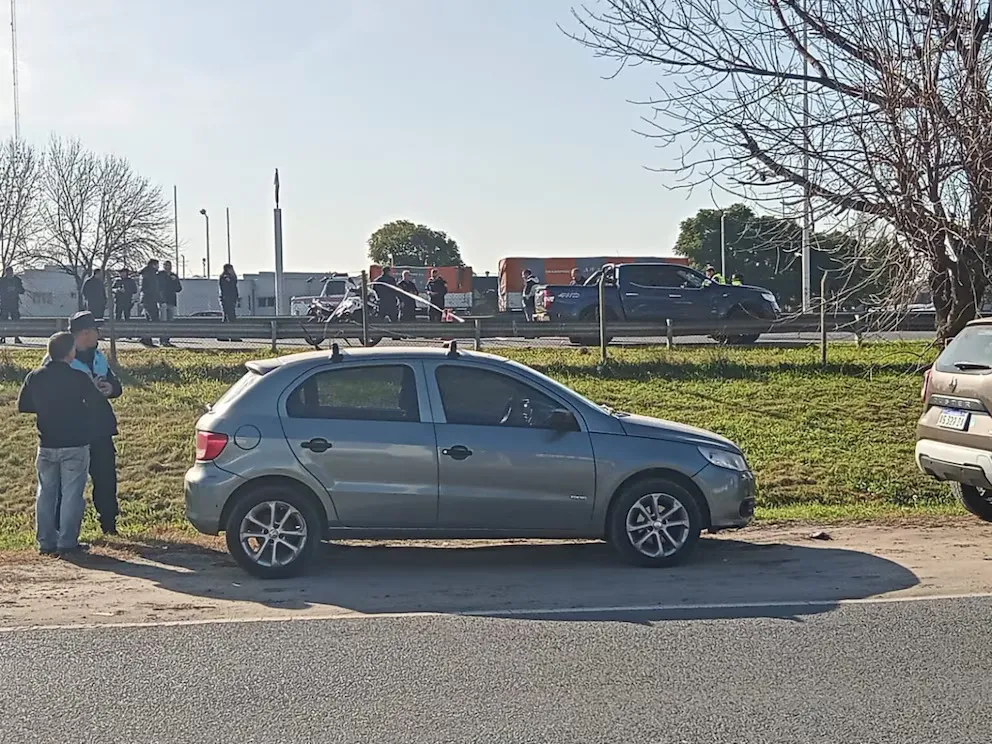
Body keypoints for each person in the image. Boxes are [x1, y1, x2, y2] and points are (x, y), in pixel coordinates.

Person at [17, 332, 98, 555]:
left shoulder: (35, 376)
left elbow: (23, 405)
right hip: (75, 442)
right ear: (70, 352)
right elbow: (95, 402)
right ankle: (67, 541)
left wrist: (44, 407)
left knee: (45, 493)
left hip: (46, 443)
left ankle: (45, 541)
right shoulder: (78, 377)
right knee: (72, 494)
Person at [62, 311, 122, 535]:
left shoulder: (98, 357)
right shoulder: (61, 358)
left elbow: (116, 386)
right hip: (72, 431)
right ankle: (64, 532)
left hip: (100, 429)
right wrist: (88, 392)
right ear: (85, 333)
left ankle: (109, 525)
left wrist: (110, 388)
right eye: (96, 330)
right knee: (69, 484)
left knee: (106, 479)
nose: (99, 334)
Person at [157, 260, 182, 347]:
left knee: (170, 321)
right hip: (163, 301)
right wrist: (160, 299)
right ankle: (162, 339)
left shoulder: (173, 275)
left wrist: (174, 281)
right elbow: (158, 288)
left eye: (169, 265)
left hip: (171, 301)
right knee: (163, 321)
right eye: (166, 265)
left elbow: (179, 289)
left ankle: (167, 339)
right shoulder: (160, 275)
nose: (168, 267)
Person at [138, 259, 160, 347]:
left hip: (146, 298)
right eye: (157, 265)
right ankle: (146, 338)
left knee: (148, 319)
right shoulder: (150, 274)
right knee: (153, 318)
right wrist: (158, 298)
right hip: (150, 299)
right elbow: (153, 288)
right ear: (153, 265)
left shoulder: (145, 273)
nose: (158, 267)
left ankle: (146, 338)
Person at [0, 266, 24, 344]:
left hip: (14, 304)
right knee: (3, 320)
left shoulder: (17, 280)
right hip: (5, 304)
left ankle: (16, 337)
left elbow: (22, 290)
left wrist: (15, 289)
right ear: (6, 272)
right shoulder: (2, 281)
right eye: (8, 272)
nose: (9, 274)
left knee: (16, 321)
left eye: (11, 272)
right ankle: (2, 337)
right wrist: (6, 290)